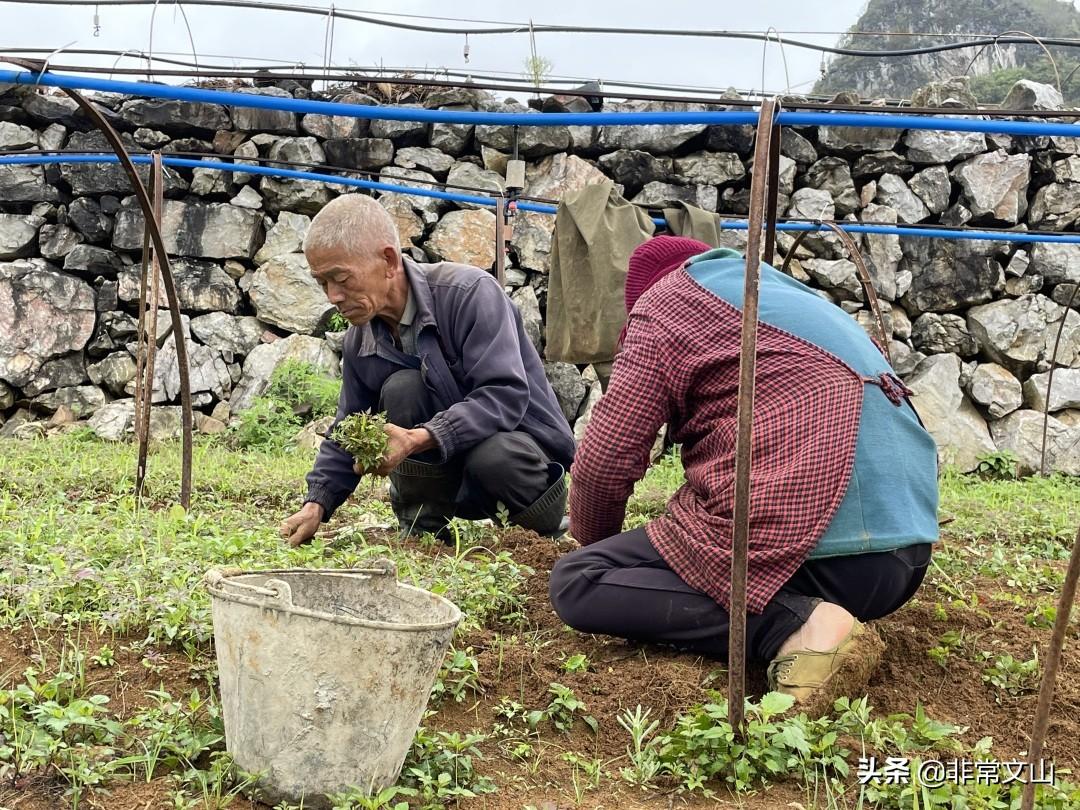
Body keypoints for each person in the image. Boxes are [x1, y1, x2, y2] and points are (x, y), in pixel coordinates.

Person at [549, 236, 939, 711]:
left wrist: (597, 543)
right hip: (904, 560)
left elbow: (604, 462)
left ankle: (797, 628)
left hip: (821, 552)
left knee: (580, 579)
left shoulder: (664, 304)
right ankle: (825, 615)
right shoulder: (784, 299)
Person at [279, 194, 574, 546]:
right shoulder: (361, 339)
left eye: (341, 278)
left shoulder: (469, 294)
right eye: (321, 282)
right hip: (452, 481)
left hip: (522, 466)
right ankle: (425, 533)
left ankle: (540, 536)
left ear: (388, 260)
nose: (332, 296)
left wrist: (417, 439)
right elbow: (348, 425)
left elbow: (504, 396)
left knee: (492, 455)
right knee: (403, 387)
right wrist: (317, 503)